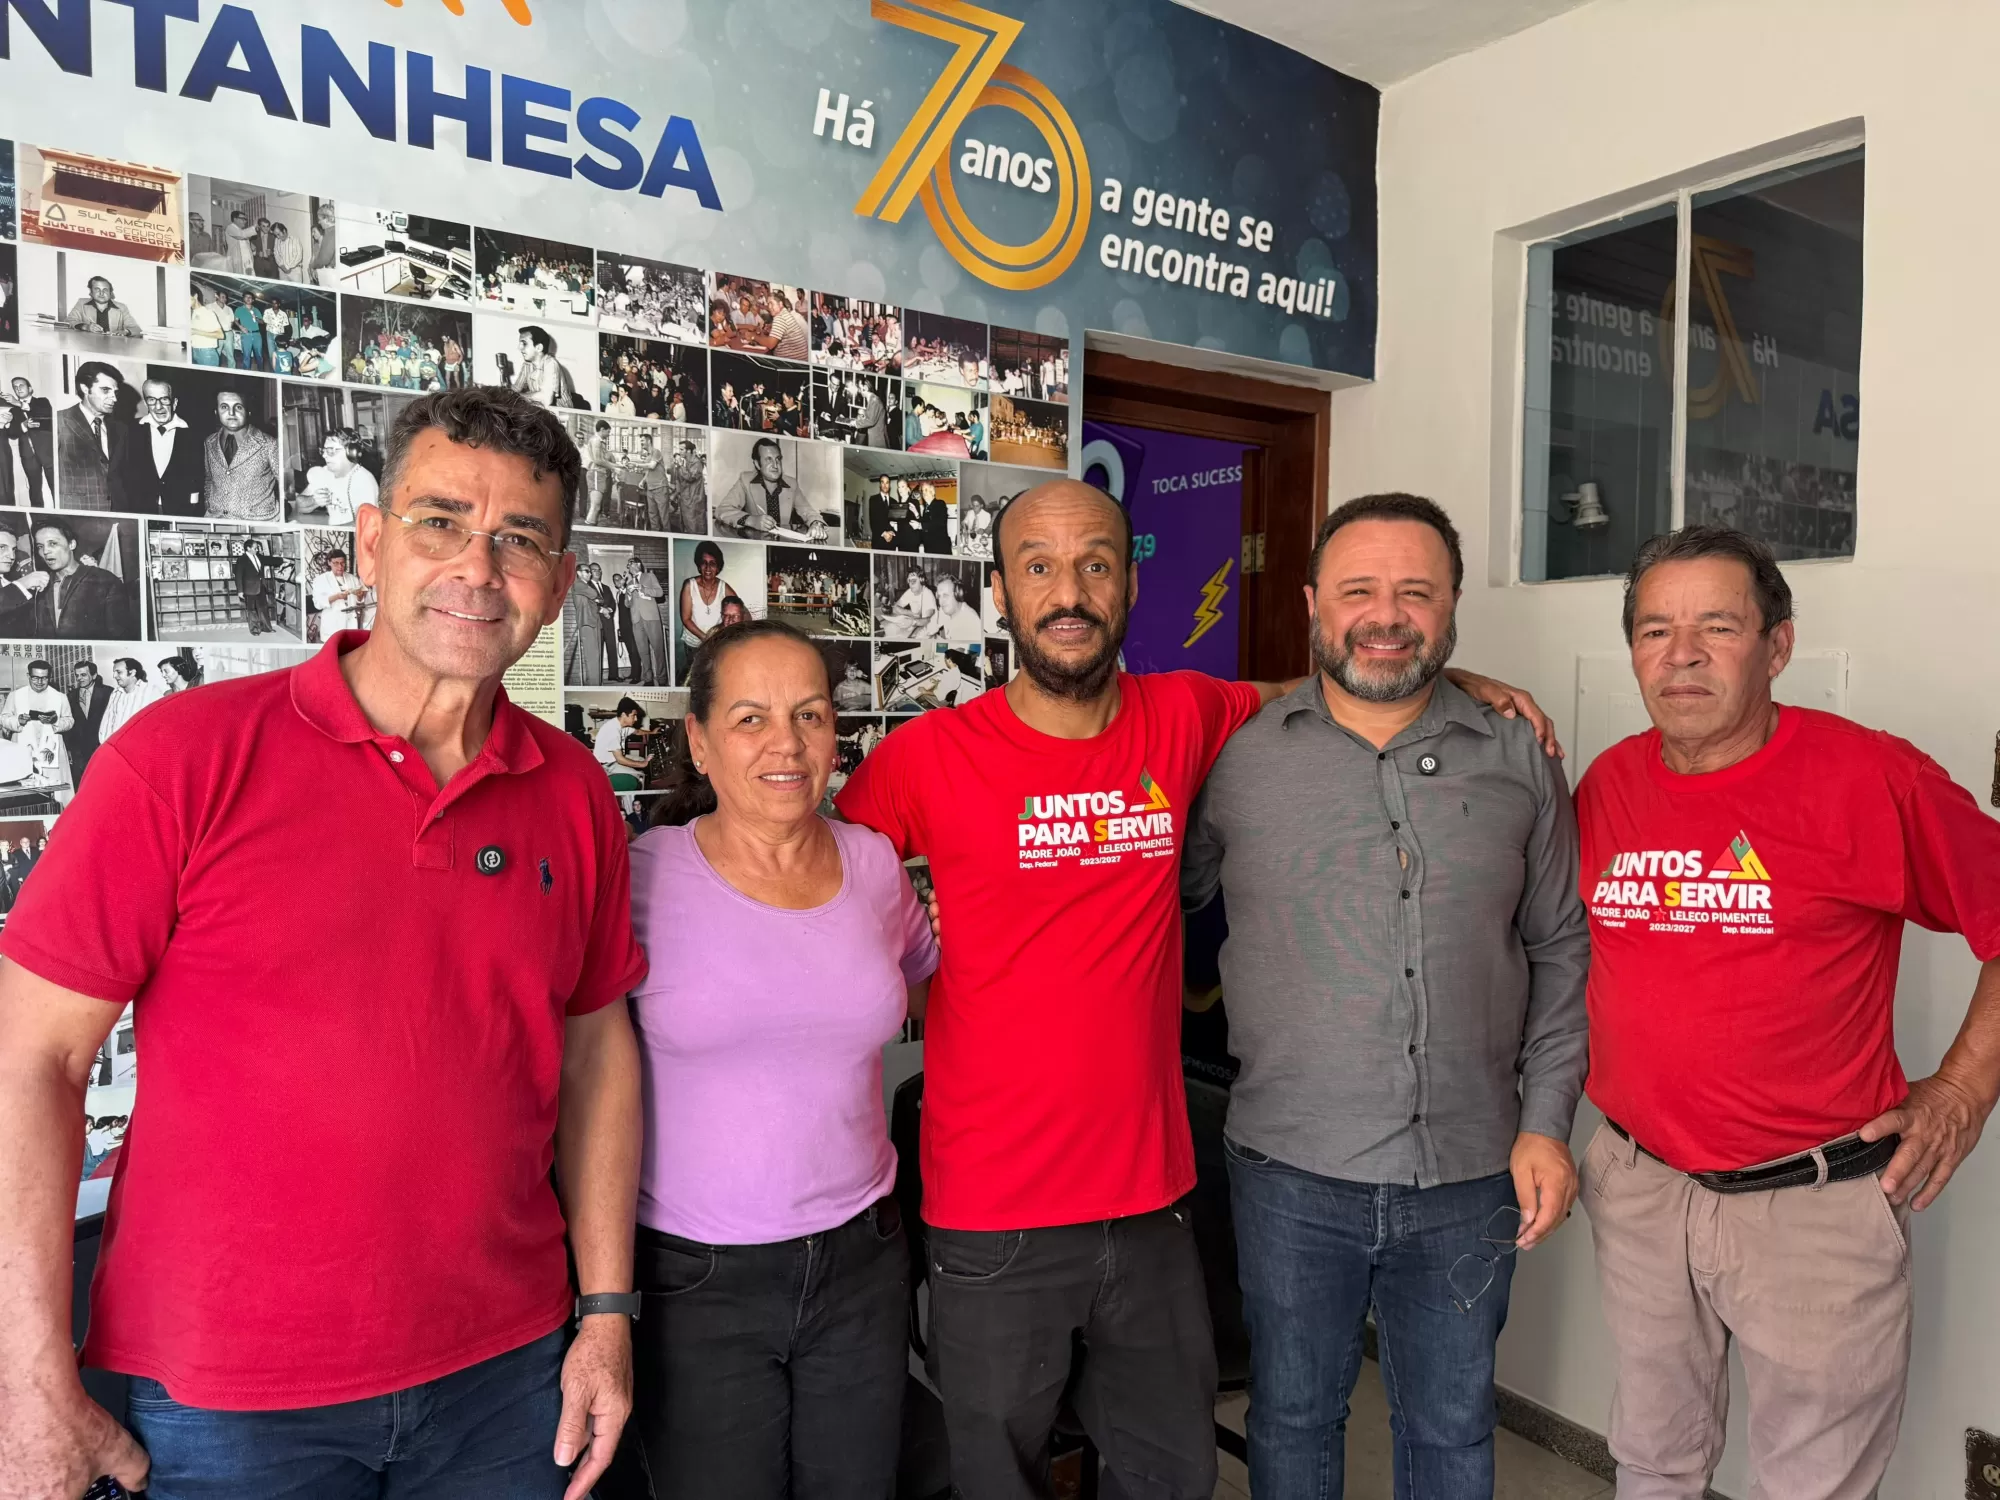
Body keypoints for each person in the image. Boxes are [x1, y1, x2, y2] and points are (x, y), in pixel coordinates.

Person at [835, 479, 1555, 1500]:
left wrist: (1447, 672)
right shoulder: (922, 760)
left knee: (1173, 1476)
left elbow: (1335, 684)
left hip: (1152, 1206)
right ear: (998, 592)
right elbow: (814, 892)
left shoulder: (1185, 713)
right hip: (991, 1212)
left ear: (1130, 585)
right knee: (996, 1481)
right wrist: (913, 948)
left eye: (1095, 564)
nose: (1068, 591)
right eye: (1037, 567)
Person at [0, 384, 648, 1500]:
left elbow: (597, 1055)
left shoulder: (575, 791)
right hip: (229, 1399)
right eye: (441, 521)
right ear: (372, 542)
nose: (477, 567)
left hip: (506, 1375)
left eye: (520, 538)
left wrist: (606, 1314)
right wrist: (25, 1380)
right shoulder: (181, 758)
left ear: (559, 582)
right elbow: (32, 1061)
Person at [1573, 526, 2000, 1499]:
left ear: (1777, 646)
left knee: (1812, 1487)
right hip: (1641, 1188)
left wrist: (1963, 1092)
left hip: (1811, 1209)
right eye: (1654, 630)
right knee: (1650, 1461)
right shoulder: (1609, 783)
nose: (1681, 654)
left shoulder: (1870, 778)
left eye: (1717, 627)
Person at [1180, 494, 1589, 1497]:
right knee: (1292, 1419)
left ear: (1452, 608)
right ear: (1312, 603)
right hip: (1288, 1171)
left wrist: (1545, 1123)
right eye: (1358, 590)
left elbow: (1559, 945)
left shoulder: (1519, 755)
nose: (1386, 615)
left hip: (1471, 1171)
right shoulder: (1232, 755)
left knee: (1450, 1429)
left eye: (1416, 591)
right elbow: (1150, 906)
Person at [625, 620, 935, 1495]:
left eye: (810, 715)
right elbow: (584, 1070)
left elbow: (927, 986)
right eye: (751, 719)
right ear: (699, 741)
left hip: (862, 1259)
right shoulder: (642, 876)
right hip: (697, 1277)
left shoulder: (873, 864)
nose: (787, 745)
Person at [33, 520, 135, 640]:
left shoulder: (106, 581)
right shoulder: (39, 586)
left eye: (53, 543)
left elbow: (120, 636)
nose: (45, 551)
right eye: (40, 546)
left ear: (71, 544)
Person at [57, 362, 134, 512]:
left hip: (118, 512)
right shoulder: (60, 421)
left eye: (115, 392)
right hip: (77, 511)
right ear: (85, 388)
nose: (114, 399)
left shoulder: (121, 428)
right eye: (105, 390)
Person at [716, 437, 826, 540]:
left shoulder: (792, 484)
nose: (775, 465)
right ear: (757, 464)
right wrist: (751, 520)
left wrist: (816, 523)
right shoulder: (745, 480)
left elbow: (808, 511)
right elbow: (722, 510)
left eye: (778, 459)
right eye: (768, 460)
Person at [128, 379, 205, 516]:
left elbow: (199, 476)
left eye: (164, 399)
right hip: (142, 509)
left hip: (181, 510)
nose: (158, 407)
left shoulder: (194, 434)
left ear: (174, 403)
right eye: (152, 400)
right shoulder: (131, 431)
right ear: (145, 403)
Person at [201, 389, 281, 520]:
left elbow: (285, 484)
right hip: (216, 520)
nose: (231, 413)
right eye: (224, 407)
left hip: (258, 522)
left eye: (238, 407)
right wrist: (209, 507)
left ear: (248, 411)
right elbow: (209, 480)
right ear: (216, 412)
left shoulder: (269, 444)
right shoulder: (209, 442)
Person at [1, 660, 74, 792]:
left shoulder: (60, 697)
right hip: (23, 748)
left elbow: (69, 721)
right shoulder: (15, 695)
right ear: (28, 676)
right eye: (35, 678)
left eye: (44, 678)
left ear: (49, 677)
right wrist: (18, 721)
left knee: (55, 790)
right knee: (24, 789)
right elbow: (4, 718)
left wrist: (55, 721)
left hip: (52, 752)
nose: (40, 682)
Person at [301, 430, 381, 526]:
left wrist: (329, 531)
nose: (324, 455)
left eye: (331, 450)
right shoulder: (325, 473)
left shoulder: (365, 481)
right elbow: (299, 505)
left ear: (351, 453)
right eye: (324, 450)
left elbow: (366, 524)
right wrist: (314, 501)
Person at [64, 660, 115, 786]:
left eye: (83, 675)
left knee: (103, 783)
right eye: (77, 675)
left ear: (94, 675)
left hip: (100, 747)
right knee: (81, 785)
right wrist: (68, 749)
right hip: (78, 752)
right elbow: (69, 723)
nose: (79, 678)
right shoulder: (71, 696)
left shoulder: (108, 693)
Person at [6, 376, 55, 507]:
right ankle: (38, 517)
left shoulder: (42, 402)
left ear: (30, 388)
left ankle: (61, 516)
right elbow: (11, 434)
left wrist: (19, 404)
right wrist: (23, 425)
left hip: (48, 453)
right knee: (34, 491)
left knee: (56, 488)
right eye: (15, 387)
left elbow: (47, 417)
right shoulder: (13, 410)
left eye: (21, 385)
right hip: (27, 455)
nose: (18, 388)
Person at [512, 326, 579, 409]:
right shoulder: (527, 365)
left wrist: (518, 396)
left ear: (539, 348)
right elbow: (515, 389)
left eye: (524, 344)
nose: (519, 348)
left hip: (562, 413)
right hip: (541, 409)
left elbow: (546, 399)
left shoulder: (551, 363)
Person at [592, 697, 650, 793]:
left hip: (613, 760)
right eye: (633, 716)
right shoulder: (613, 730)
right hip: (606, 766)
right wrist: (642, 764)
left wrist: (652, 732)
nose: (636, 719)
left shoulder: (621, 724)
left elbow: (637, 732)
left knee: (641, 760)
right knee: (640, 777)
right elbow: (620, 760)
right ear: (623, 715)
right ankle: (635, 797)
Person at [0, 531, 52, 635]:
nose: (11, 556)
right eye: (2, 547)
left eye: (14, 549)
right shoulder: (14, 587)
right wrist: (22, 584)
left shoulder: (6, 585)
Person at [311, 549, 370, 639]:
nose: (340, 566)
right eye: (336, 563)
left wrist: (359, 596)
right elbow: (318, 604)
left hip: (350, 623)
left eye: (342, 563)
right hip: (333, 624)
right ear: (329, 562)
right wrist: (337, 597)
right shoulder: (320, 580)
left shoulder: (352, 578)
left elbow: (359, 602)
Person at [99, 657, 159, 742]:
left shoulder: (151, 691)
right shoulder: (115, 693)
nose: (114, 676)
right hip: (115, 746)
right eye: (114, 672)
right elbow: (106, 724)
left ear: (132, 672)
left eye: (119, 672)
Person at [64, 277, 145, 339]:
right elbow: (68, 322)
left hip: (114, 349)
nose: (101, 293)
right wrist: (86, 327)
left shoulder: (121, 307)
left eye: (105, 290)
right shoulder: (81, 303)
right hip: (88, 348)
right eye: (97, 289)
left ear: (110, 293)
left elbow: (136, 329)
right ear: (91, 292)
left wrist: (125, 332)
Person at [627, 566, 668, 687]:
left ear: (638, 565)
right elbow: (627, 604)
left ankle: (661, 679)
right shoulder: (629, 583)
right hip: (636, 620)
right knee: (642, 651)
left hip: (651, 618)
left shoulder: (649, 576)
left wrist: (643, 588)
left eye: (631, 563)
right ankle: (648, 679)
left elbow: (659, 592)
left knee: (658, 650)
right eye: (628, 565)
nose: (629, 566)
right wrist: (628, 594)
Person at [917, 572, 981, 646]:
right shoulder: (946, 609)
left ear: (958, 594)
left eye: (945, 595)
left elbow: (960, 651)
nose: (941, 602)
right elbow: (931, 627)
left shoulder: (970, 621)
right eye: (939, 596)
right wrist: (923, 635)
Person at [230, 539, 275, 635]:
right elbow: (238, 576)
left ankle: (266, 627)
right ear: (248, 548)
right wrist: (240, 591)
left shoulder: (258, 556)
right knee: (252, 610)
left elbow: (270, 560)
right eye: (255, 548)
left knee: (263, 608)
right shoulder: (242, 559)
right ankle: (255, 629)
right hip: (249, 589)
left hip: (261, 586)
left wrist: (283, 560)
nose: (257, 550)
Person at [188, 285, 231, 366]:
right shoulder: (194, 312)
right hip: (195, 351)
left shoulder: (207, 312)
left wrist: (195, 331)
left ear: (195, 296)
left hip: (206, 354)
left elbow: (220, 335)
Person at [918, 481, 952, 555]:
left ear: (933, 492)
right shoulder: (925, 509)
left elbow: (939, 523)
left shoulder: (940, 504)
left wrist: (920, 526)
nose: (924, 493)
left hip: (940, 548)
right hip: (929, 549)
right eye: (922, 491)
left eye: (926, 490)